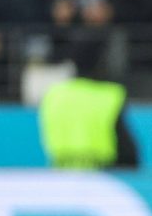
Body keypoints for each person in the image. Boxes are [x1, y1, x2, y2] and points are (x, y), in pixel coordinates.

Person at [39, 34, 140, 171]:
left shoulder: (53, 94)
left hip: (60, 177)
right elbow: (128, 153)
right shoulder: (110, 95)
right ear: (100, 62)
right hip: (103, 179)